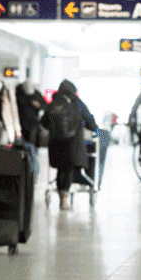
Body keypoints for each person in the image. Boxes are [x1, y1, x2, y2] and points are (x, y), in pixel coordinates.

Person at [40, 79, 97, 211]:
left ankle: (63, 196)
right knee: (69, 168)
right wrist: (94, 130)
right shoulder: (77, 102)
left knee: (61, 169)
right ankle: (65, 198)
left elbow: (44, 122)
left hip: (55, 144)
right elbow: (90, 121)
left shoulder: (53, 103)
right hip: (73, 144)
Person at [15, 79, 47, 145]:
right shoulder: (18, 95)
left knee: (32, 140)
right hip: (21, 122)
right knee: (21, 141)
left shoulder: (37, 94)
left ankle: (31, 152)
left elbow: (44, 105)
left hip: (33, 122)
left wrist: (38, 105)